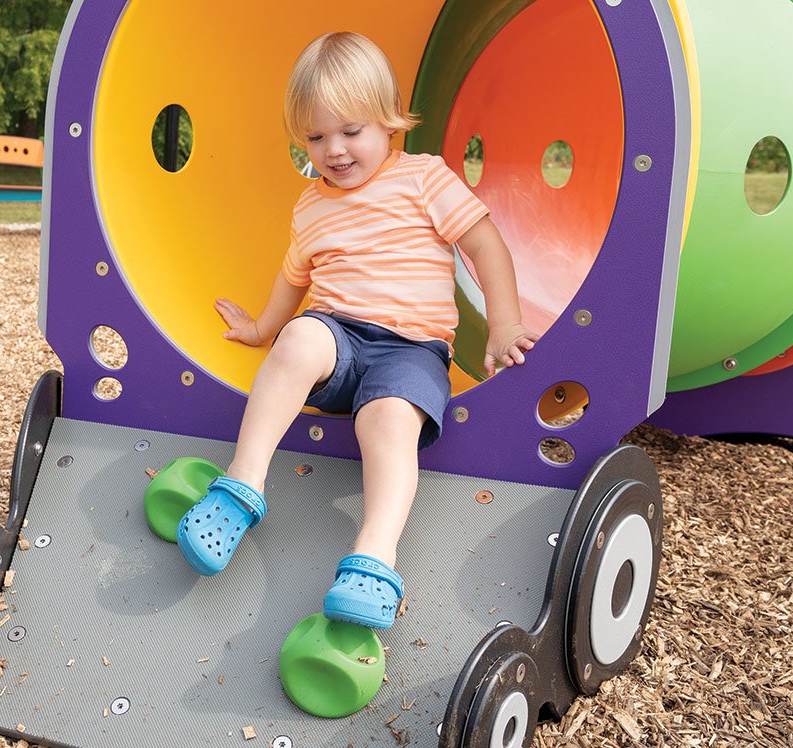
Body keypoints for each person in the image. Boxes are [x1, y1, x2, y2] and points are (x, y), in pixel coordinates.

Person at [176, 31, 538, 629]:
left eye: (351, 131)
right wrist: (263, 327)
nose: (335, 151)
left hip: (411, 350)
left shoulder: (424, 178)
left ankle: (374, 553)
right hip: (339, 338)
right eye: (316, 137)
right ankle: (242, 486)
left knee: (389, 420)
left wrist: (504, 323)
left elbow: (484, 245)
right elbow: (294, 279)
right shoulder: (310, 205)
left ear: (388, 123)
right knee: (300, 337)